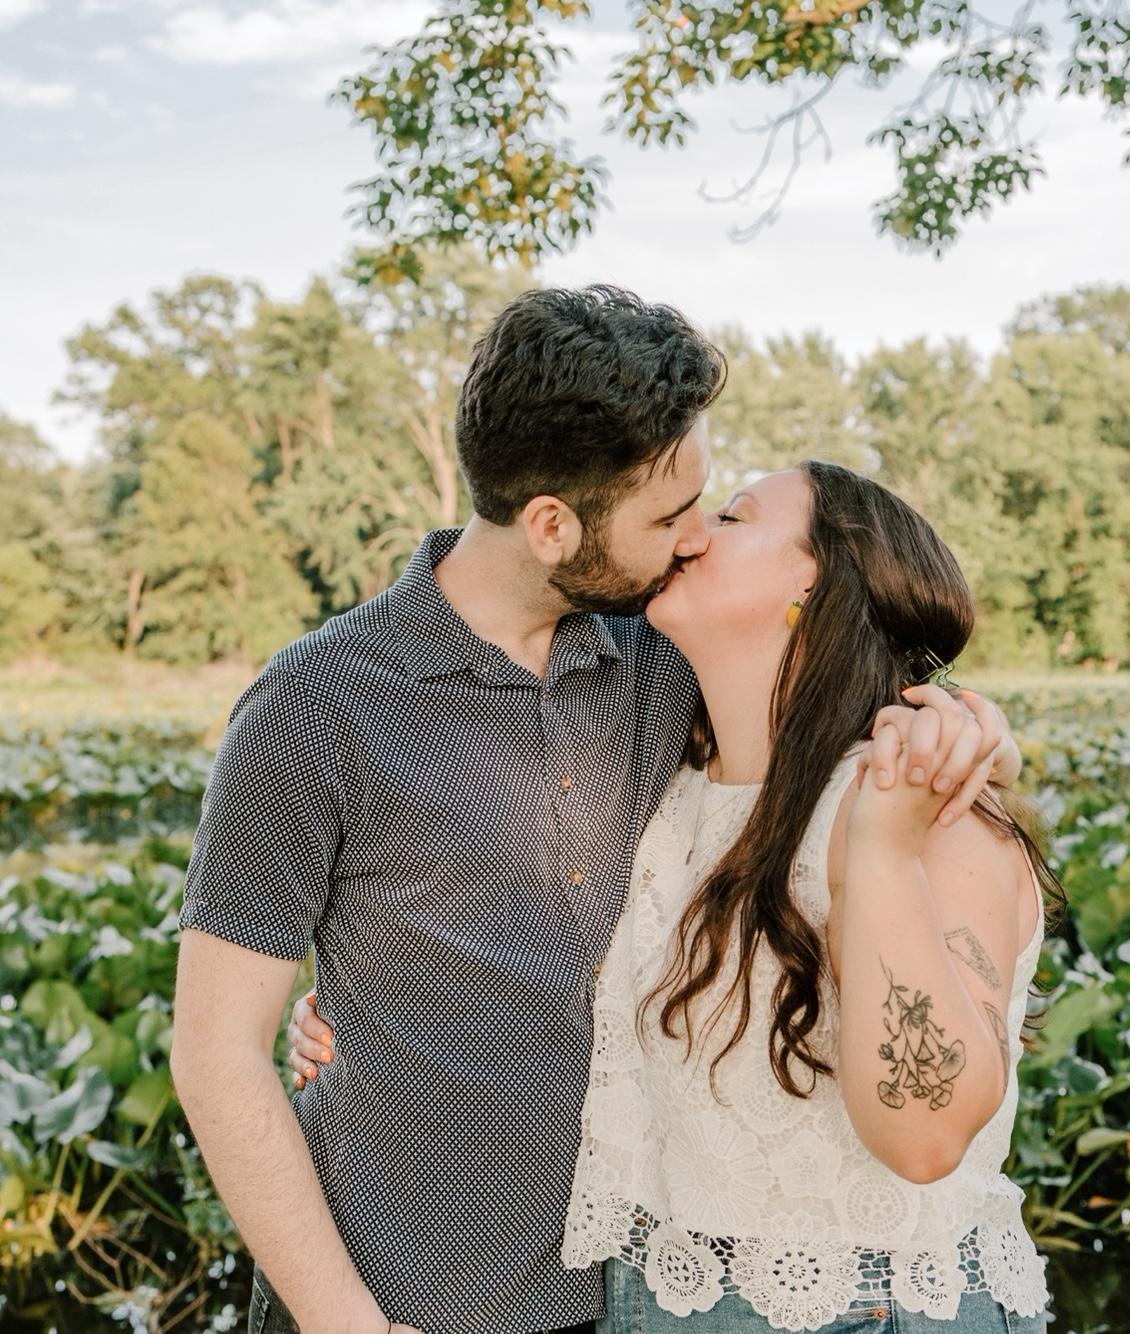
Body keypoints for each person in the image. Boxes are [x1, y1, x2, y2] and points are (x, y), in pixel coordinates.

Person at [171, 283, 1023, 1334]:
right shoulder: (314, 703)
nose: (695, 536)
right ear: (550, 524)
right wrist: (339, 1317)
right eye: (670, 516)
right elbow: (215, 1051)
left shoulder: (661, 661)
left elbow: (828, 689)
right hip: (403, 1302)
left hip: (633, 1298)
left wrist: (956, 723)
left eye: (710, 506)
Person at [291, 463, 1063, 1331]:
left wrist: (879, 847)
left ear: (813, 582)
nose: (691, 532)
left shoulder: (925, 808)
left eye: (732, 517)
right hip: (657, 1298)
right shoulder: (675, 786)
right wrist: (364, 1003)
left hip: (869, 1308)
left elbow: (925, 1138)